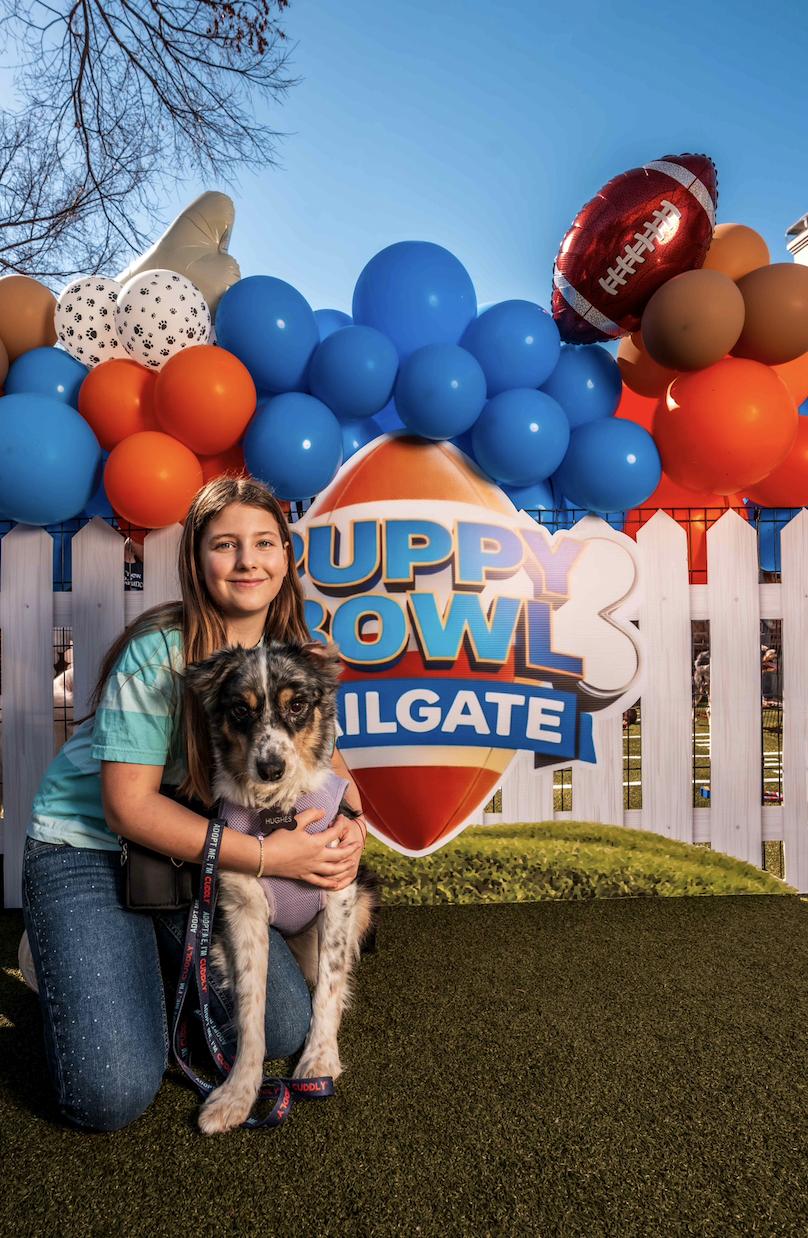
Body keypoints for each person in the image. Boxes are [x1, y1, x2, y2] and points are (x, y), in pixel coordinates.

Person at [21, 476, 368, 1132]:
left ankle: (138, 955)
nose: (248, 561)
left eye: (265, 542)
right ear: (195, 559)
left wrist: (350, 822)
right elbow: (129, 810)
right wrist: (267, 855)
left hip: (186, 853)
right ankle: (69, 951)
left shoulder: (293, 643)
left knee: (283, 1027)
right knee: (110, 1095)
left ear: (286, 556)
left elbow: (323, 754)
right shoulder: (156, 657)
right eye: (225, 545)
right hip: (90, 848)